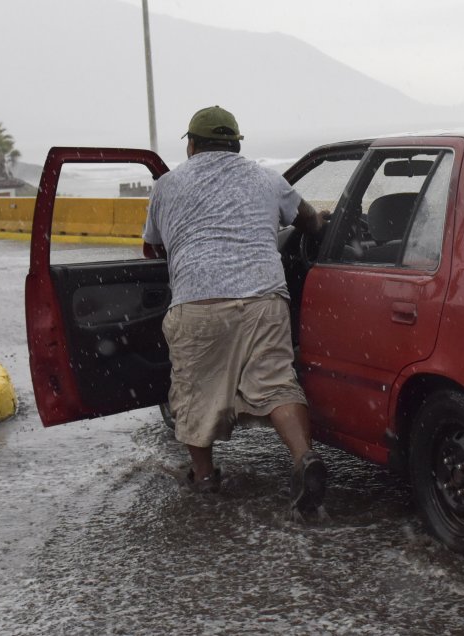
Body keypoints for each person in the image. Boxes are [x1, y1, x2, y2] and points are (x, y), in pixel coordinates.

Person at [142, 105, 328, 516]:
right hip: (264, 297)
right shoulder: (265, 176)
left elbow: (153, 246)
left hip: (199, 300)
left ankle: (205, 478)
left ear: (191, 145)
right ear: (236, 144)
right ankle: (303, 458)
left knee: (194, 391)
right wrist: (318, 224)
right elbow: (309, 220)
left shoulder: (167, 185)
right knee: (277, 383)